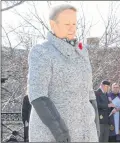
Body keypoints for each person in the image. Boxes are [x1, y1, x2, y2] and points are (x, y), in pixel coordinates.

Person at [27, 4, 99, 142]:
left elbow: (89, 93)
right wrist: (60, 134)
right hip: (52, 136)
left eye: (74, 23)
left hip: (86, 134)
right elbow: (38, 95)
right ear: (53, 24)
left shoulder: (82, 52)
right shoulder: (42, 51)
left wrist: (95, 128)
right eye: (67, 23)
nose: (72, 27)